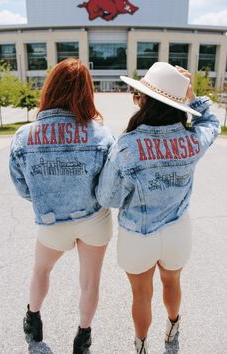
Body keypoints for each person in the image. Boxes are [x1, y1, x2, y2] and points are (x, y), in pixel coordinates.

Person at [96, 62, 220, 353]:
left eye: (138, 95)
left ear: (144, 100)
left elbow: (107, 198)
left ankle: (141, 345)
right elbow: (211, 123)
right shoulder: (191, 141)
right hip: (178, 231)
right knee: (172, 282)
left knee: (141, 294)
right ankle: (173, 326)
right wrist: (191, 95)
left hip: (137, 236)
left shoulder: (127, 144)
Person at [9, 58, 114, 354]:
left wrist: (48, 199)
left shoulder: (24, 136)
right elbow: (108, 188)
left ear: (50, 88)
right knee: (90, 281)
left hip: (52, 221)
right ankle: (83, 337)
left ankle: (34, 319)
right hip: (94, 218)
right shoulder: (102, 135)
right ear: (87, 92)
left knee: (41, 271)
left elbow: (22, 188)